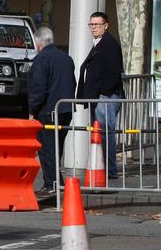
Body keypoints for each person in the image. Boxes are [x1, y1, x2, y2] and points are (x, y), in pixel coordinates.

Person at [27, 26, 76, 195]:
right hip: (66, 109)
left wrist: (32, 110)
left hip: (48, 110)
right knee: (57, 146)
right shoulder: (66, 58)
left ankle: (52, 184)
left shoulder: (41, 59)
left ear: (38, 43)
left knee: (47, 148)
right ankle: (56, 182)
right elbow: (72, 83)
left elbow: (39, 88)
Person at [77, 11, 124, 178]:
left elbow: (113, 72)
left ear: (106, 25)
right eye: (91, 24)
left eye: (97, 24)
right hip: (101, 95)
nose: (94, 27)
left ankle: (109, 171)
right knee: (101, 134)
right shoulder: (99, 42)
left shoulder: (109, 44)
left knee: (104, 134)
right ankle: (105, 169)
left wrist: (102, 92)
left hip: (106, 97)